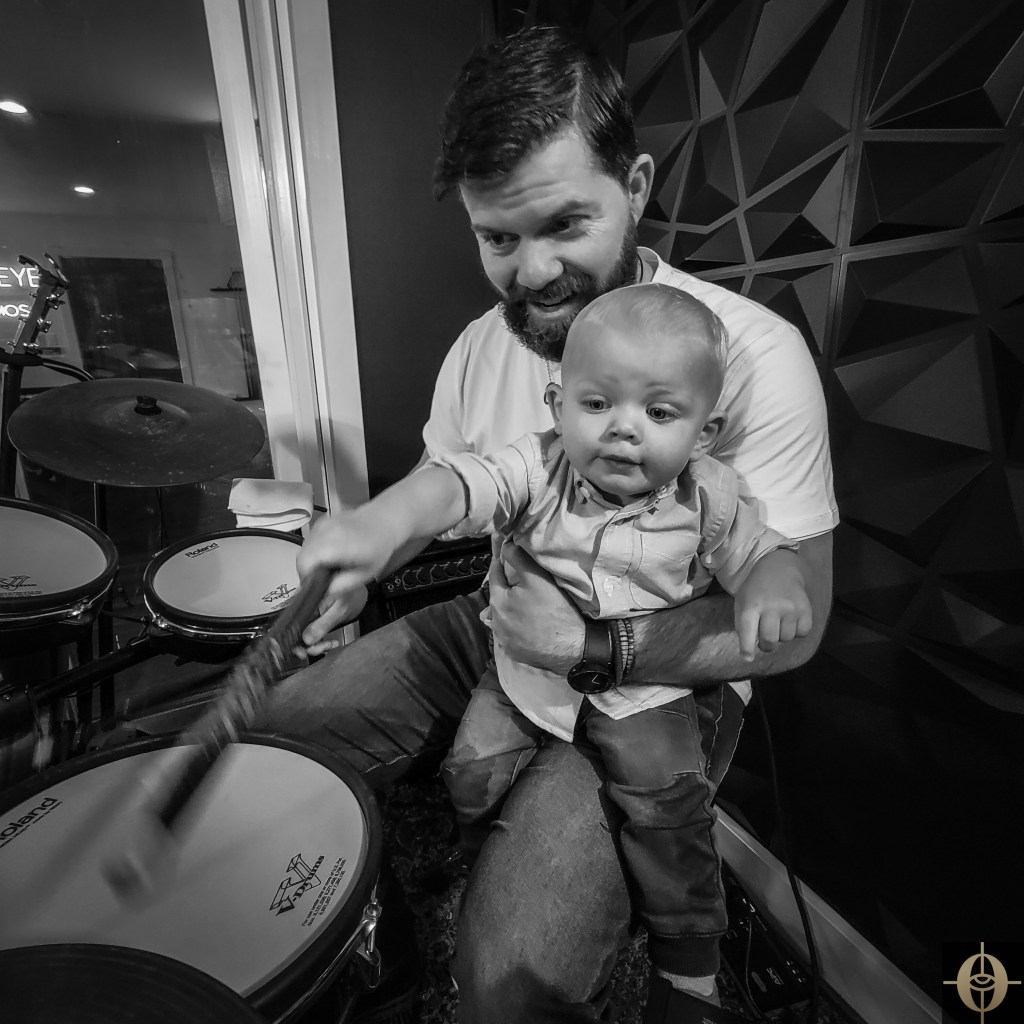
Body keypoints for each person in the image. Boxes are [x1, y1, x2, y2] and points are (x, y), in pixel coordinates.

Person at [258, 23, 838, 1024]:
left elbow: (797, 625)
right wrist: (370, 551)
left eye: (565, 224)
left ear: (636, 186)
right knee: (274, 740)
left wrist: (595, 647)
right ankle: (379, 949)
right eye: (498, 237)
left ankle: (681, 966)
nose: (530, 274)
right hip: (503, 622)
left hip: (663, 679)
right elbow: (451, 485)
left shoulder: (750, 356)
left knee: (504, 984)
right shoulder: (481, 347)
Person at [302, 281, 813, 1007]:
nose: (623, 429)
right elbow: (456, 484)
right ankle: (480, 859)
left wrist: (774, 583)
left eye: (659, 413)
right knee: (469, 769)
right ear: (557, 406)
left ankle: (689, 959)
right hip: (520, 669)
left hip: (646, 690)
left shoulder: (712, 497)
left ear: (705, 433)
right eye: (596, 404)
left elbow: (766, 554)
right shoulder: (539, 465)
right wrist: (379, 527)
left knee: (666, 807)